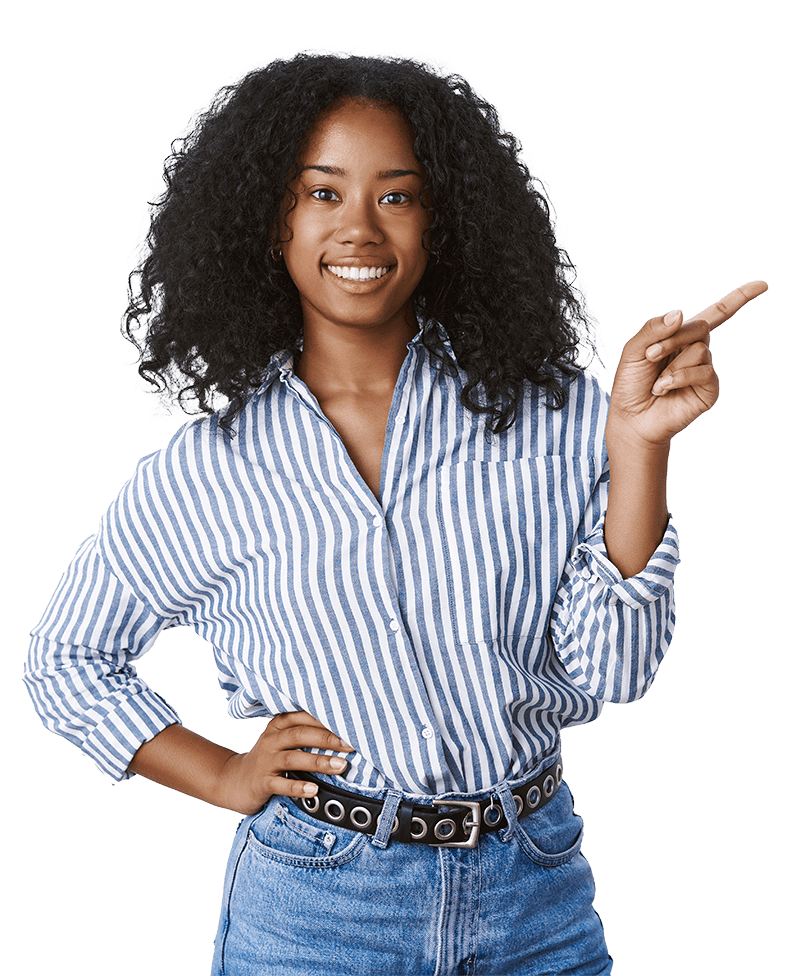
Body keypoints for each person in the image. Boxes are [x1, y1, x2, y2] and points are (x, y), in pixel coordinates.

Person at [24, 47, 767, 975]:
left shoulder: (567, 418)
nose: (361, 230)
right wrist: (222, 773)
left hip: (533, 889)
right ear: (269, 221)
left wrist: (641, 447)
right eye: (322, 193)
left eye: (399, 195)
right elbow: (66, 660)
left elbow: (614, 671)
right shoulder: (203, 473)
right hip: (317, 906)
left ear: (442, 221)